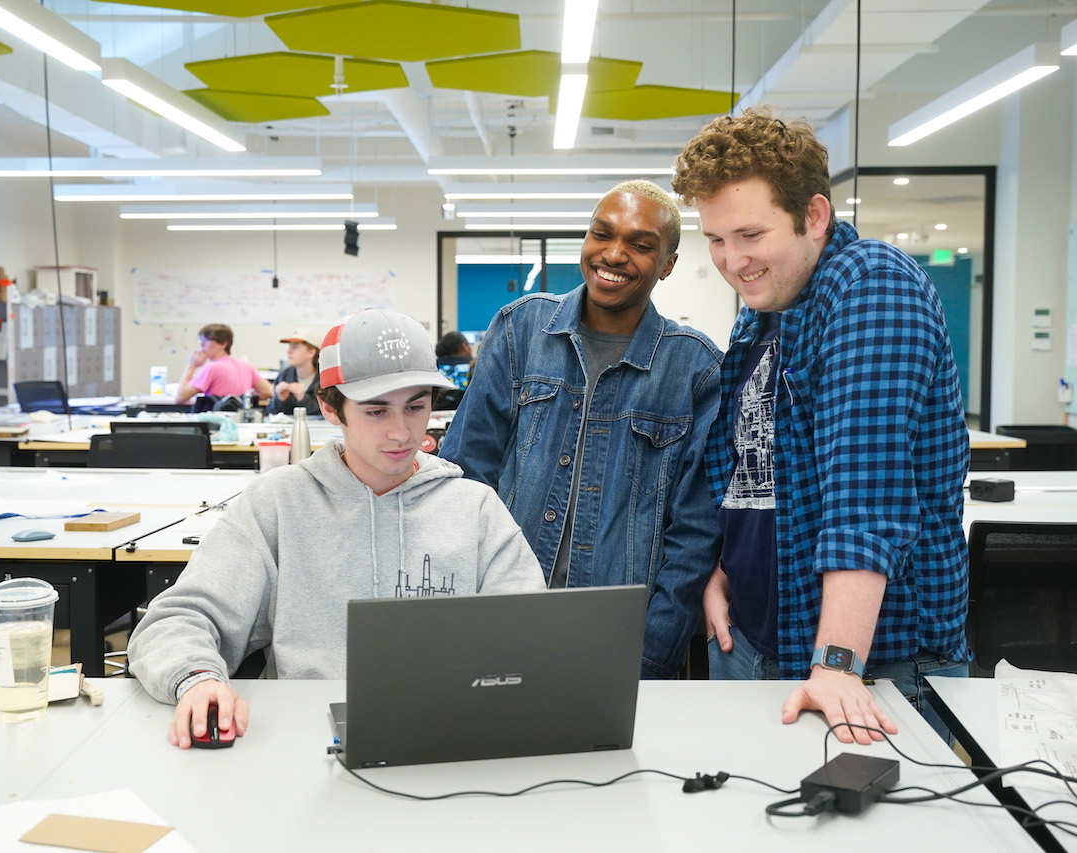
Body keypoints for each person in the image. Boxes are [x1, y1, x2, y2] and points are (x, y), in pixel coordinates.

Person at [672, 107, 970, 745]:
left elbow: (868, 499)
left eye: (750, 234)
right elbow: (753, 471)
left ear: (813, 215)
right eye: (716, 240)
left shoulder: (870, 288)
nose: (732, 260)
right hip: (757, 639)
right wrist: (727, 567)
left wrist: (837, 664)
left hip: (869, 665)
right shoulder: (764, 313)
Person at [128, 308, 546, 748]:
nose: (401, 432)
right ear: (330, 408)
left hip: (451, 733)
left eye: (416, 407)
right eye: (376, 411)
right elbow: (178, 618)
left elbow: (532, 635)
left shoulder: (475, 507)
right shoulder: (277, 502)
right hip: (301, 739)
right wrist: (197, 679)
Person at [439, 180, 723, 679]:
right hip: (504, 615)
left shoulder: (695, 368)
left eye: (640, 245)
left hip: (619, 635)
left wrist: (651, 652)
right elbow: (465, 479)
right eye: (602, 234)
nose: (614, 255)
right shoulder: (521, 328)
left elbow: (695, 533)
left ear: (668, 265)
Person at [175, 323, 275, 406]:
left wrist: (191, 366)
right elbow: (269, 391)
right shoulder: (246, 366)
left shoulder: (211, 368)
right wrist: (246, 397)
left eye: (205, 340)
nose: (201, 345)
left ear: (223, 344)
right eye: (200, 341)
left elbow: (180, 398)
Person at [266, 328, 322, 417]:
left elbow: (330, 414)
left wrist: (303, 399)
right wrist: (280, 400)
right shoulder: (284, 375)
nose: (288, 352)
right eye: (289, 347)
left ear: (311, 352)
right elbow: (271, 413)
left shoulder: (325, 378)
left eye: (295, 347)